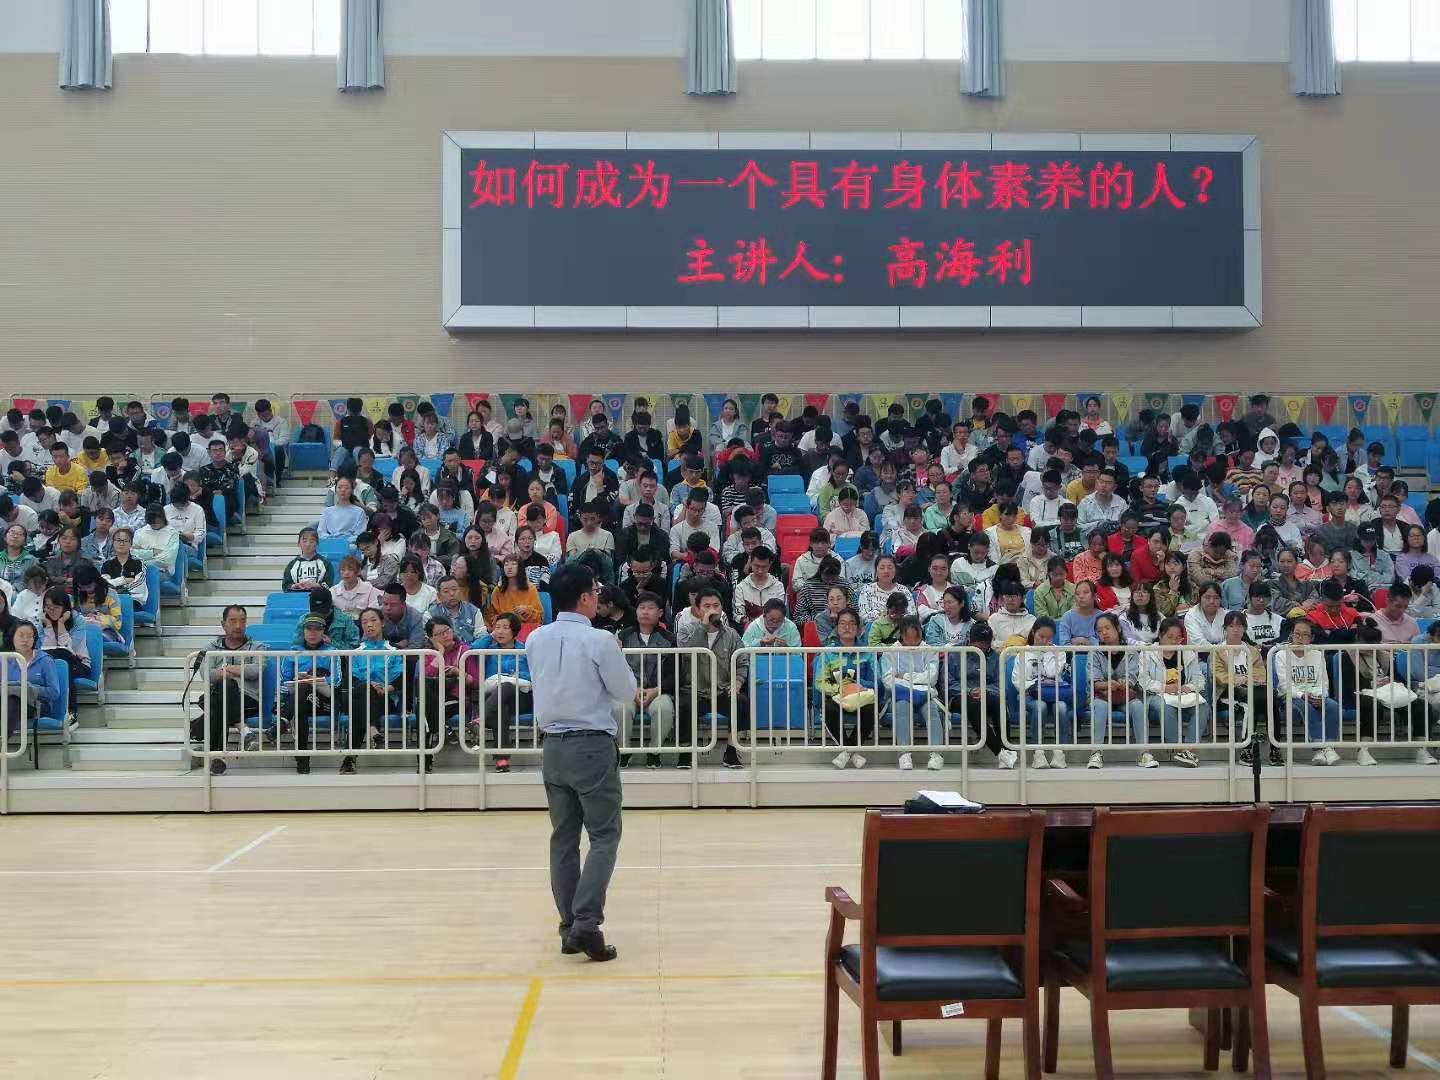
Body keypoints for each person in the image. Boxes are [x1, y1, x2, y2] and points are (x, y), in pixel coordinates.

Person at [523, 563, 636, 962]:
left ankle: (570, 924)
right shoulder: (600, 640)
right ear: (586, 597)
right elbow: (626, 691)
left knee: (564, 838)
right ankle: (586, 922)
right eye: (595, 591)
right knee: (604, 836)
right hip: (591, 744)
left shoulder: (535, 638)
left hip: (553, 746)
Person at [191, 604, 261, 775]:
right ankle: (245, 732)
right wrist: (235, 672)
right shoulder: (210, 648)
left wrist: (226, 669)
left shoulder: (257, 647)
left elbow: (256, 670)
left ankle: (215, 752)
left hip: (248, 699)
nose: (238, 626)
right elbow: (207, 674)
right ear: (223, 624)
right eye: (233, 621)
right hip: (222, 696)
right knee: (223, 690)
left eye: (242, 621)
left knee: (214, 700)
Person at [612, 593, 676, 769]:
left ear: (660, 613)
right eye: (641, 608)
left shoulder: (669, 639)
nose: (645, 612)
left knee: (664, 708)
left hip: (658, 691)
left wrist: (656, 690)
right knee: (620, 708)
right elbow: (615, 669)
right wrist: (633, 689)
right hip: (629, 690)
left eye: (650, 608)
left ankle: (654, 752)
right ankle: (624, 751)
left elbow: (675, 674)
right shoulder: (623, 636)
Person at [1136, 617, 1210, 767]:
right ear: (1160, 636)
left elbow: (1199, 680)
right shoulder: (1148, 653)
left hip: (1183, 695)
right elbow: (1144, 681)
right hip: (1156, 695)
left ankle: (1187, 750)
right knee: (1166, 706)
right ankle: (1177, 748)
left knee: (1203, 707)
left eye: (1178, 638)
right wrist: (1164, 688)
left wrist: (1188, 687)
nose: (1174, 642)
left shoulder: (1187, 653)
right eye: (1170, 637)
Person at [1272, 617, 1344, 765]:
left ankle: (1329, 747)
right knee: (1307, 707)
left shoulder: (1317, 654)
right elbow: (1285, 685)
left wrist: (1321, 696)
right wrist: (1303, 695)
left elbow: (1323, 682)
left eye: (1305, 635)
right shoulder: (1281, 654)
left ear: (1311, 638)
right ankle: (1320, 748)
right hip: (1291, 695)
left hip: (1315, 693)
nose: (1299, 638)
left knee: (1333, 706)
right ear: (1291, 635)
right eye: (1297, 633)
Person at [1011, 618, 1074, 770]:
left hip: (1053, 693)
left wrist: (1045, 655)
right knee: (1040, 707)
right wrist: (1036, 684)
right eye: (1041, 636)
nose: (1045, 641)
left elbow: (1054, 674)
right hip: (1030, 694)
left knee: (1061, 707)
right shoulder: (1023, 653)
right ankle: (1038, 753)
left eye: (1049, 638)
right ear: (1034, 632)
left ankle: (1059, 753)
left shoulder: (1058, 652)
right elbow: (1017, 680)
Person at [1086, 612, 1145, 770]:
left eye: (1107, 628)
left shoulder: (1131, 651)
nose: (1104, 633)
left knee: (1138, 706)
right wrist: (1107, 684)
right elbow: (1094, 682)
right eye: (1099, 631)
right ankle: (1096, 753)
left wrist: (1125, 682)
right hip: (1102, 696)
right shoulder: (1095, 652)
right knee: (1100, 706)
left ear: (1118, 628)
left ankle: (1144, 753)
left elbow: (1132, 678)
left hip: (1124, 696)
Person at [3, 621, 60, 741]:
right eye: (21, 635)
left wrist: (31, 689)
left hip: (36, 706)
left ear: (34, 639)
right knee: (10, 699)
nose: (25, 640)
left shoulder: (45, 661)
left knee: (13, 700)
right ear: (12, 637)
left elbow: (54, 692)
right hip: (5, 703)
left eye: (29, 636)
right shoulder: (4, 660)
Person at [39, 587, 91, 717]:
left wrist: (61, 623)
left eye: (56, 607)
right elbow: (45, 649)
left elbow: (70, 649)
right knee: (55, 663)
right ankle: (50, 712)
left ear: (65, 607)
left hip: (79, 663)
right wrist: (49, 626)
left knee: (62, 664)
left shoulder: (78, 620)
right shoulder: (42, 621)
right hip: (52, 662)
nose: (51, 611)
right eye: (48, 607)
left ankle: (70, 712)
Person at [282, 526, 333, 592]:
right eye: (304, 541)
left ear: (317, 544)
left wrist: (314, 585)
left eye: (311, 541)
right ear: (299, 543)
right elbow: (285, 586)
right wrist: (295, 586)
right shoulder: (292, 564)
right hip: (297, 596)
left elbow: (329, 585)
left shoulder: (326, 563)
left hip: (318, 596)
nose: (308, 544)